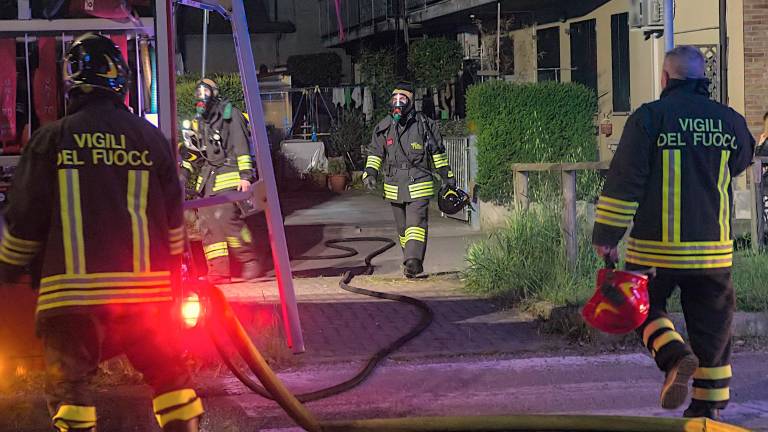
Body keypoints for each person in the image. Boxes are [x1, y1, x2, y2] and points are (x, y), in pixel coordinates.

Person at [0, 33, 203, 431]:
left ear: (70, 81)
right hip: (145, 297)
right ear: (120, 79)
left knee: (70, 387)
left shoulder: (50, 140)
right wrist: (176, 276)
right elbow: (173, 221)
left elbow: (24, 220)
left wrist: (9, 269)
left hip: (71, 299)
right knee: (169, 375)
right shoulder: (150, 139)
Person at [592, 46, 754, 420]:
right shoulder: (728, 120)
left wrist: (607, 236)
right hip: (712, 252)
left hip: (655, 250)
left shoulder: (650, 118)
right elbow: (742, 160)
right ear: (703, 79)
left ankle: (674, 356)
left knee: (640, 307)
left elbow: (625, 181)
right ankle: (706, 410)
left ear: (665, 78)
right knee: (713, 330)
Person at [362, 82, 456, 278]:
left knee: (416, 223)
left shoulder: (424, 125)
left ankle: (413, 261)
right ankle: (409, 260)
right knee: (403, 229)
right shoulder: (384, 127)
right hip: (394, 184)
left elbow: (437, 153)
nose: (398, 103)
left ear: (411, 102)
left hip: (419, 182)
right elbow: (375, 153)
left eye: (402, 99)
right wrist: (370, 173)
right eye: (395, 99)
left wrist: (447, 177)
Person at [179, 78, 265, 284]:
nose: (201, 97)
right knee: (207, 222)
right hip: (209, 180)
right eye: (198, 93)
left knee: (226, 217)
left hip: (230, 174)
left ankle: (250, 260)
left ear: (214, 93)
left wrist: (246, 176)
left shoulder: (231, 115)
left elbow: (242, 146)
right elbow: (193, 154)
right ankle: (218, 270)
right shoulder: (200, 122)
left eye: (205, 92)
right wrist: (182, 176)